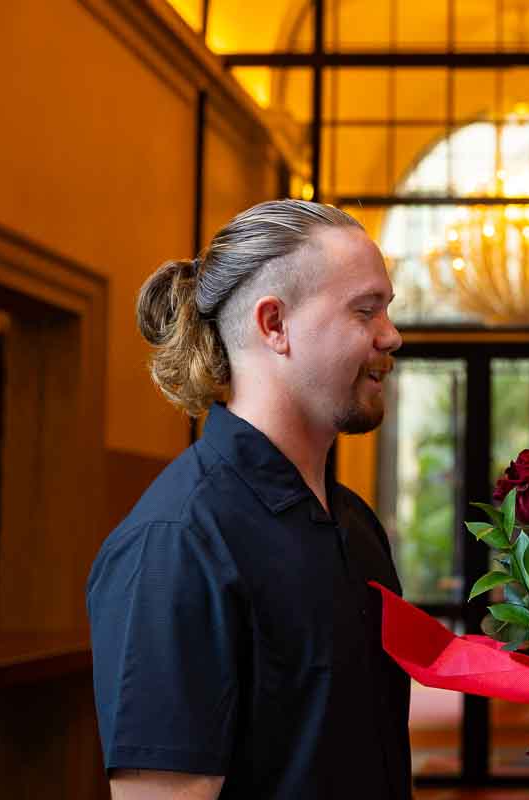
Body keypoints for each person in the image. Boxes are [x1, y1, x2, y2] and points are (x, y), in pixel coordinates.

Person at [86, 200, 410, 799]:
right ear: (274, 325)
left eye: (386, 310)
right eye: (366, 311)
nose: (391, 334)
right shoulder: (178, 542)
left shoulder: (355, 524)